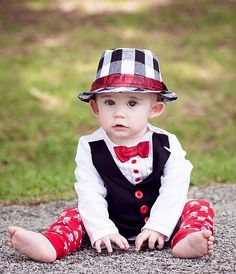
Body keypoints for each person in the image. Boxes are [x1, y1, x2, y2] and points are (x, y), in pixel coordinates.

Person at [7, 48, 215, 262]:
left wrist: (159, 226)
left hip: (165, 221)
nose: (119, 113)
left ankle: (186, 239)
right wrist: (102, 229)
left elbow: (175, 186)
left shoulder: (167, 143)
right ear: (95, 107)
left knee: (198, 207)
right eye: (109, 102)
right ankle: (52, 243)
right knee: (75, 214)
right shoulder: (90, 146)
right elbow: (90, 191)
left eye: (132, 103)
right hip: (111, 219)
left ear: (155, 109)